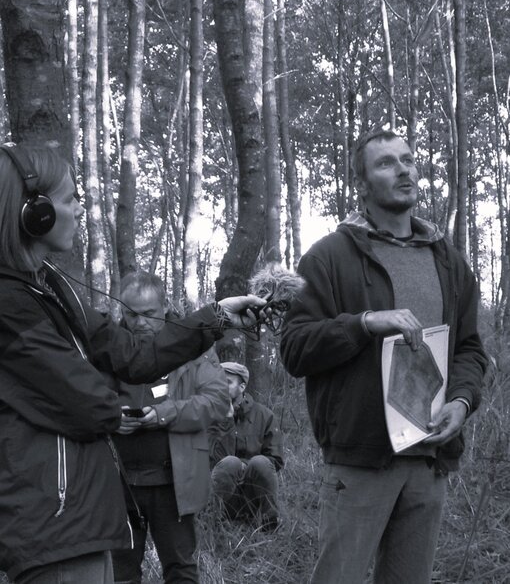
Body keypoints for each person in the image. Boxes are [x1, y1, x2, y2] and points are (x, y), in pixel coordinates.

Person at [0, 143, 265, 584]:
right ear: (35, 213)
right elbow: (88, 402)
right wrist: (123, 409)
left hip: (85, 516)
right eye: (70, 200)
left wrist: (217, 316)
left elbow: (134, 356)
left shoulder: (51, 285)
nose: (80, 210)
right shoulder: (10, 303)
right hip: (50, 519)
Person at [280, 129, 488, 584]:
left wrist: (461, 401)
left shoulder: (448, 260)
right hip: (360, 460)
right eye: (386, 163)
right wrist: (362, 323)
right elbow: (294, 348)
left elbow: (470, 349)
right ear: (363, 183)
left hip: (429, 458)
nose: (404, 170)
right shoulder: (330, 257)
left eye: (408, 160)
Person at [111, 271, 230, 584]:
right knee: (120, 571)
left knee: (180, 568)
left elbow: (217, 402)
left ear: (164, 306)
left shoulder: (194, 345)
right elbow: (86, 399)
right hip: (118, 482)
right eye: (129, 314)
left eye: (148, 314)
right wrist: (111, 418)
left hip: (175, 481)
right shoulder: (108, 347)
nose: (138, 322)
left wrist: (165, 413)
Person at [209, 362, 284, 530]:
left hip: (253, 492)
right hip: (223, 489)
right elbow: (210, 461)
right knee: (230, 463)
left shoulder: (264, 415)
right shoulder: (209, 415)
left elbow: (275, 460)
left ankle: (269, 523)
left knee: (260, 462)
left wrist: (246, 467)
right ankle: (215, 523)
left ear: (242, 386)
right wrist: (226, 420)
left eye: (227, 382)